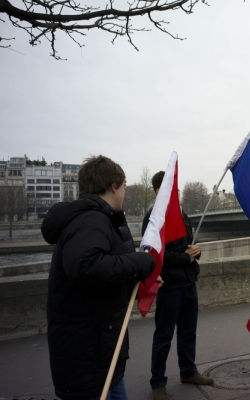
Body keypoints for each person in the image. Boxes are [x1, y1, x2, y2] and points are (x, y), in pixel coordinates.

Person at [42, 155, 157, 400]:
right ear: (113, 186)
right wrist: (140, 262)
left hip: (97, 354)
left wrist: (137, 280)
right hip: (88, 357)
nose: (125, 191)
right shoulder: (92, 220)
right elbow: (87, 267)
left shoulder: (91, 218)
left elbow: (101, 279)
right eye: (124, 185)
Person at [143, 171, 213, 400]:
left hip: (188, 282)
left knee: (188, 332)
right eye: (171, 189)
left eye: (176, 188)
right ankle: (158, 383)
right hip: (169, 286)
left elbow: (188, 247)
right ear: (158, 191)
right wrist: (186, 257)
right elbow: (155, 255)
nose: (177, 192)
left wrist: (196, 251)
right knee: (163, 336)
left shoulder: (182, 214)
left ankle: (188, 371)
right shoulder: (154, 218)